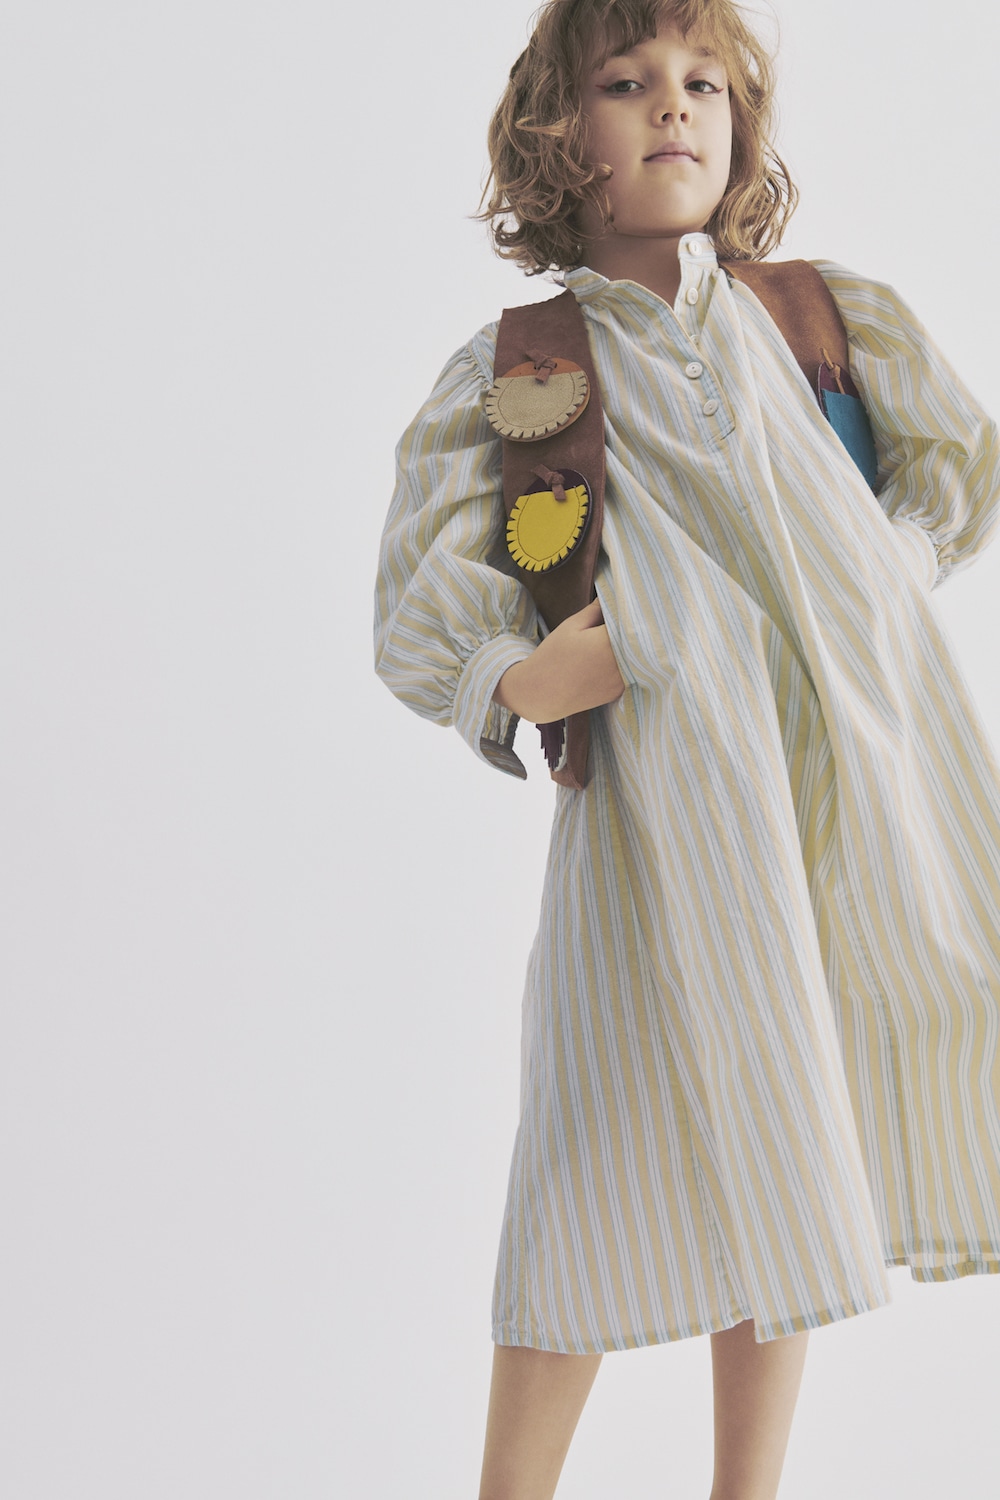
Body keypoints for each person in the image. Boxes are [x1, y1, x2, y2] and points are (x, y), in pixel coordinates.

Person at [372, 1, 1000, 1496]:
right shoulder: (530, 365)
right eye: (629, 80)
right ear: (559, 135)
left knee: (796, 1129)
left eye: (704, 81)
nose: (675, 106)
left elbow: (950, 469)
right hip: (662, 810)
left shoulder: (817, 317)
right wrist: (524, 675)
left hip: (841, 790)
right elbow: (431, 595)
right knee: (588, 1150)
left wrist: (888, 563)